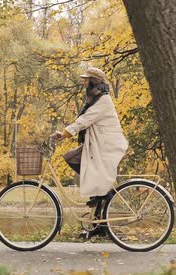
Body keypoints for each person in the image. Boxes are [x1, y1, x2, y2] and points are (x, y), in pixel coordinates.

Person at [52, 67, 129, 225]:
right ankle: (98, 221)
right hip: (98, 144)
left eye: (86, 80)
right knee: (72, 158)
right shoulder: (94, 99)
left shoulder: (103, 100)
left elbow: (86, 119)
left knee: (98, 184)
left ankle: (102, 197)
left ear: (94, 82)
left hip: (107, 146)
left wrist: (65, 133)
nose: (84, 82)